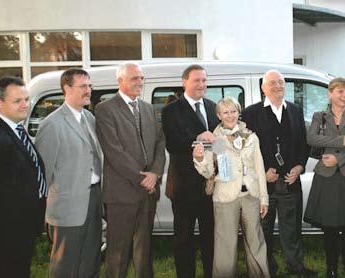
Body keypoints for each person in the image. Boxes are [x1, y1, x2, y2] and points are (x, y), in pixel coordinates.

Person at [241, 70, 316, 278]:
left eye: (281, 82)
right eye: (272, 83)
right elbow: (244, 150)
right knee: (262, 231)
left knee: (292, 230)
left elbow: (304, 143)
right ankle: (267, 268)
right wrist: (262, 172)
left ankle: (296, 266)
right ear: (263, 88)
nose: (277, 86)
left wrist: (300, 166)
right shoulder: (249, 114)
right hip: (263, 184)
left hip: (290, 182)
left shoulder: (295, 110)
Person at [95, 62, 165, 278]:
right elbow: (114, 151)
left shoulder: (148, 109)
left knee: (144, 250)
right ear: (120, 81)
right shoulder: (105, 109)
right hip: (122, 193)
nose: (140, 82)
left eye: (142, 78)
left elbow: (159, 145)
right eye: (135, 78)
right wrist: (141, 178)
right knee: (118, 253)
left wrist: (154, 174)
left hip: (148, 192)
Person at [34, 68, 102, 277]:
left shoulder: (89, 117)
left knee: (91, 258)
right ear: (67, 89)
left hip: (93, 197)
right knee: (66, 263)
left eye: (89, 86)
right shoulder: (52, 124)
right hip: (67, 206)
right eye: (83, 86)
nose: (88, 90)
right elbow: (42, 173)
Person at [192, 96, 269, 277]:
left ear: (238, 112)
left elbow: (259, 168)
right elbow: (209, 170)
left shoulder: (250, 135)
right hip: (225, 197)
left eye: (233, 111)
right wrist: (200, 158)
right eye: (225, 112)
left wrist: (264, 199)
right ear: (218, 115)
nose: (230, 115)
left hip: (251, 195)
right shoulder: (215, 139)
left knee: (256, 242)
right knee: (225, 245)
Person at [304, 77, 345, 278]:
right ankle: (331, 269)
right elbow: (311, 138)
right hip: (326, 176)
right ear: (330, 93)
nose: (344, 95)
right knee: (330, 227)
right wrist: (341, 140)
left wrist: (338, 159)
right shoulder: (319, 116)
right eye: (340, 91)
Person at [162, 64, 219, 278]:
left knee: (210, 239)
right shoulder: (171, 110)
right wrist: (198, 139)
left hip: (210, 187)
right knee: (184, 240)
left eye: (204, 80)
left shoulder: (213, 107)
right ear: (184, 82)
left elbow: (219, 145)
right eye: (196, 80)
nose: (201, 85)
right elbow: (172, 143)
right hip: (184, 187)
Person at [0, 76, 47, 277]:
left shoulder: (15, 128)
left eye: (26, 99)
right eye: (17, 101)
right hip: (6, 229)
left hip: (22, 224)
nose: (25, 105)